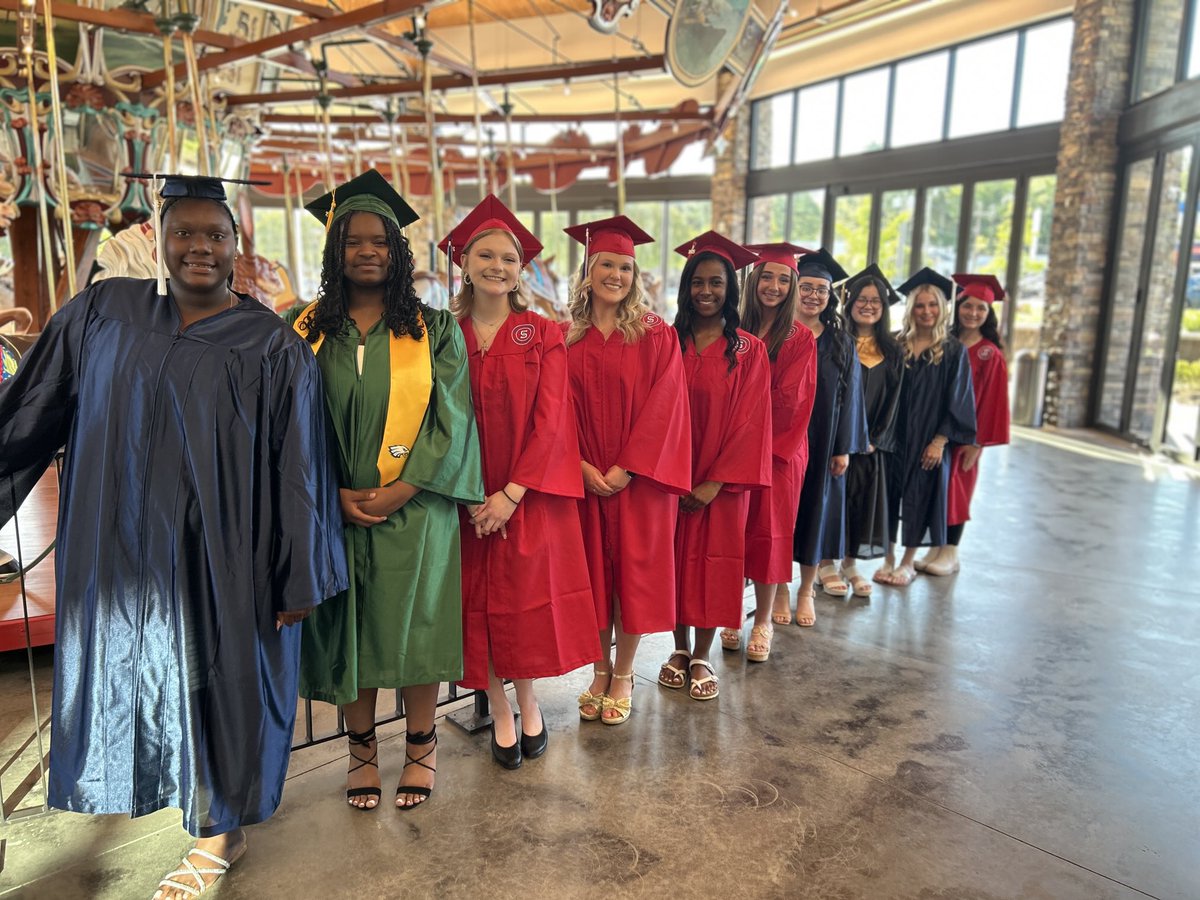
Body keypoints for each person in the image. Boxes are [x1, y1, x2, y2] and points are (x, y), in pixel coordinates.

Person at [0, 175, 347, 900]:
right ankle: (150, 797)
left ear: (236, 246)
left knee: (217, 683)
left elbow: (301, 470)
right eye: (183, 232)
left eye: (214, 235)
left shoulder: (272, 347)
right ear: (155, 241)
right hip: (118, 546)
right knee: (134, 676)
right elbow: (29, 411)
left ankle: (221, 832)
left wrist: (298, 573)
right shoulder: (102, 312)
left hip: (223, 556)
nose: (199, 247)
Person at [288, 169, 483, 811]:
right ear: (334, 251)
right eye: (353, 241)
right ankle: (362, 753)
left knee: (415, 627)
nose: (366, 251)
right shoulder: (304, 329)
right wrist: (330, 489)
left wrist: (404, 488)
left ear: (399, 252)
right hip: (333, 508)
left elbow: (450, 419)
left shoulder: (434, 328)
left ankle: (422, 748)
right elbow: (286, 423)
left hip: (416, 508)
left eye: (380, 240)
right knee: (348, 631)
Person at [438, 195, 600, 768]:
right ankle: (498, 707)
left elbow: (552, 420)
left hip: (524, 498)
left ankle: (528, 701)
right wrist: (471, 496)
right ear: (465, 263)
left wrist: (510, 494)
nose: (497, 266)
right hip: (463, 501)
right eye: (485, 255)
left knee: (525, 607)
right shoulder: (445, 334)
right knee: (473, 608)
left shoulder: (544, 333)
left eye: (508, 258)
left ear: (521, 268)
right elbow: (436, 421)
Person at [562, 215, 691, 725]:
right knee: (591, 576)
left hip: (640, 482)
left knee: (635, 576)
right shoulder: (564, 336)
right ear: (588, 271)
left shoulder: (657, 335)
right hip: (583, 477)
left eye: (624, 266)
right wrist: (578, 464)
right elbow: (552, 408)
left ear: (635, 275)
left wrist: (627, 469)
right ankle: (598, 668)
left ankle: (624, 673)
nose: (616, 274)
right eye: (606, 265)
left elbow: (668, 406)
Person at [659, 232, 771, 699]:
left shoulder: (749, 350)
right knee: (672, 562)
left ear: (731, 289)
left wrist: (714, 482)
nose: (706, 291)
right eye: (698, 282)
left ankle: (702, 652)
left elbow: (752, 422)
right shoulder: (666, 341)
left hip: (720, 483)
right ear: (686, 288)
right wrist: (670, 474)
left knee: (711, 564)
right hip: (667, 476)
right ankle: (678, 648)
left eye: (717, 283)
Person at [732, 242, 817, 661]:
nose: (774, 286)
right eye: (767, 276)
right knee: (730, 533)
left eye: (784, 279)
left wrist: (751, 443)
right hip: (731, 449)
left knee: (768, 535)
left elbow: (791, 401)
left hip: (776, 454)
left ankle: (763, 619)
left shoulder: (799, 337)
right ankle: (730, 613)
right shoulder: (733, 326)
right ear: (753, 280)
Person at [877, 268, 976, 586]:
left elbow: (959, 399)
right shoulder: (895, 344)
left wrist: (940, 440)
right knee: (888, 497)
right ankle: (888, 558)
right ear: (910, 309)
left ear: (942, 308)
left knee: (921, 497)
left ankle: (907, 562)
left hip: (928, 439)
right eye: (919, 305)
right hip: (894, 437)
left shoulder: (952, 350)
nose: (926, 311)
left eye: (932, 305)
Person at [787, 249, 869, 626]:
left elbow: (851, 396)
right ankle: (772, 592)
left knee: (815, 515)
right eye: (806, 287)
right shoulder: (778, 333)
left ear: (829, 295)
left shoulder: (840, 341)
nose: (813, 295)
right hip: (783, 441)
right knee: (776, 518)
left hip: (823, 439)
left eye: (821, 289)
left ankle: (805, 591)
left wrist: (844, 448)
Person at [917, 273, 1011, 576]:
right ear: (958, 308)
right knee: (939, 491)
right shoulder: (947, 343)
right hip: (940, 429)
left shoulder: (989, 353)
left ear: (988, 314)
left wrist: (977, 443)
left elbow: (992, 402)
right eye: (968, 307)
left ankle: (951, 552)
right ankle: (937, 548)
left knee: (958, 491)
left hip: (967, 436)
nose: (973, 314)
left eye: (980, 309)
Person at [823, 264, 904, 596]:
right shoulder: (836, 341)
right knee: (830, 502)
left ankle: (851, 564)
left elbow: (896, 399)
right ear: (850, 301)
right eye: (862, 298)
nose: (868, 305)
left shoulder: (892, 349)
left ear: (884, 308)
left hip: (870, 445)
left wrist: (874, 438)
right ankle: (825, 563)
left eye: (876, 301)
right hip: (835, 439)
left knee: (860, 503)